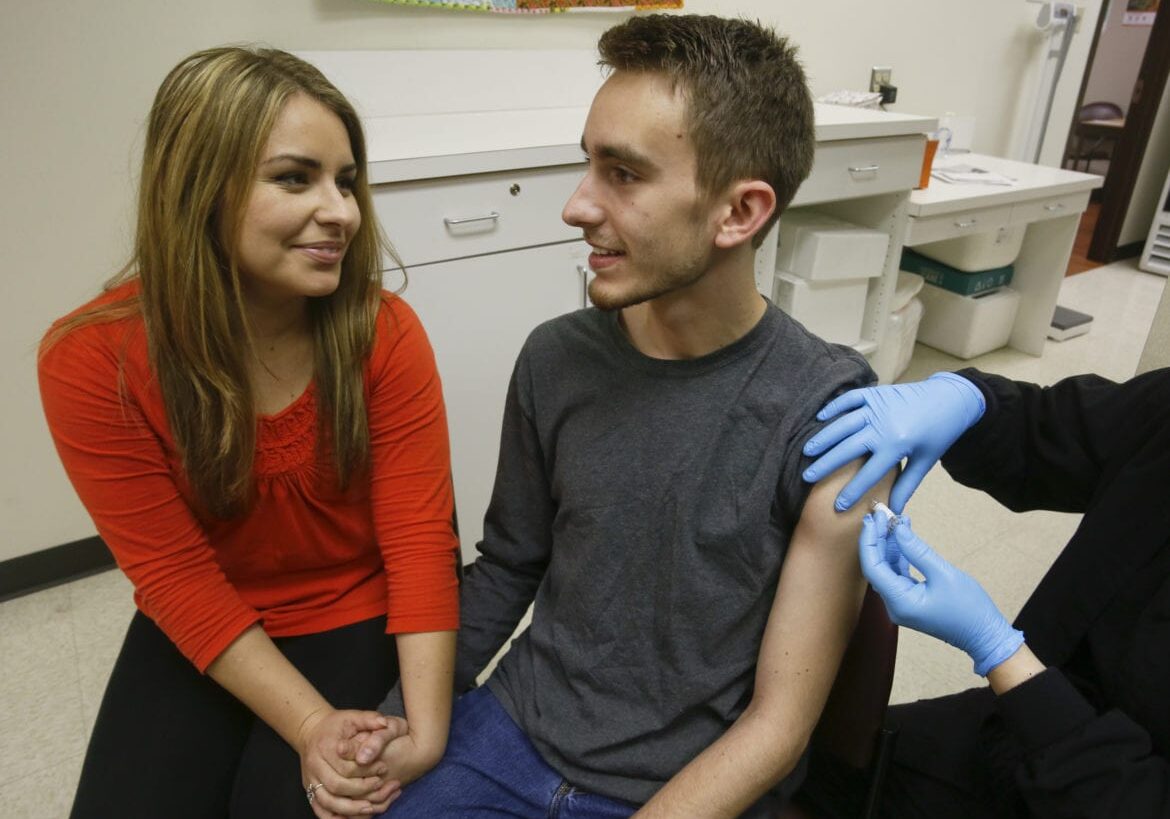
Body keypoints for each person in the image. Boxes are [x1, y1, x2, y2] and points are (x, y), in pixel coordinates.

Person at [339, 14, 895, 818]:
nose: (575, 206)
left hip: (686, 784)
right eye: (586, 164)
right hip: (511, 734)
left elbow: (778, 726)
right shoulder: (555, 359)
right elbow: (507, 567)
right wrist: (402, 718)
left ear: (739, 213)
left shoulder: (831, 413)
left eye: (623, 175)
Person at [37, 47, 459, 819]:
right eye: (296, 178)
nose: (342, 211)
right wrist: (307, 721)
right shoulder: (91, 361)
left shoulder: (383, 332)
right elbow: (173, 576)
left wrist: (426, 733)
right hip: (207, 618)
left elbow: (421, 539)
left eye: (346, 181)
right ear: (199, 188)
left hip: (354, 607)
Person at [800, 367, 1170, 818]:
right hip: (1019, 718)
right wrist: (971, 400)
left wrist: (1000, 652)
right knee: (826, 771)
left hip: (1102, 785)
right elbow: (1053, 430)